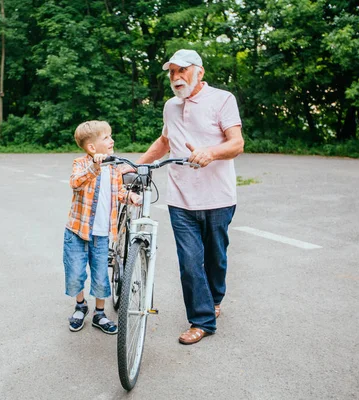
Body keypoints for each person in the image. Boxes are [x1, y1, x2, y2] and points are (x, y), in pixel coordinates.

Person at [133, 49, 244, 344]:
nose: (175, 77)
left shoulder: (223, 100)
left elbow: (236, 144)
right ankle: (202, 320)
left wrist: (211, 152)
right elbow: (165, 141)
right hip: (180, 199)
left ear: (199, 72)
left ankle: (215, 298)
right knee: (190, 261)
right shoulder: (170, 106)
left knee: (215, 258)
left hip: (218, 197)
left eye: (182, 70)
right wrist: (138, 168)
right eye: (171, 72)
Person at [63, 120, 141, 334]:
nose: (112, 140)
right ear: (91, 147)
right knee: (76, 273)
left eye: (110, 136)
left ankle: (99, 313)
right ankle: (80, 306)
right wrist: (94, 167)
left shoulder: (115, 169)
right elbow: (75, 182)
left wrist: (130, 196)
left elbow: (118, 193)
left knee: (100, 275)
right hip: (77, 232)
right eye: (106, 137)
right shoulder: (81, 163)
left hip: (101, 235)